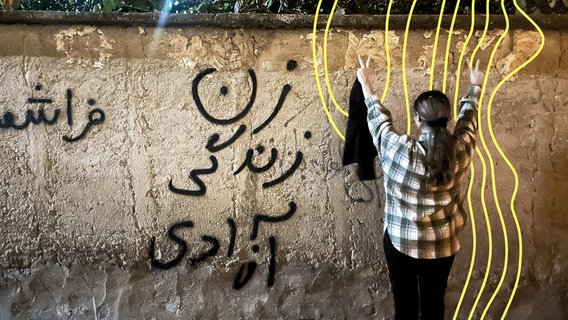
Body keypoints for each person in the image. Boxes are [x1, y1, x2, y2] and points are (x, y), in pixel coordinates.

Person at [355, 55, 484, 320]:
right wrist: (475, 86)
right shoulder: (460, 150)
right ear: (447, 120)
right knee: (434, 304)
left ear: (416, 119)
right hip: (443, 244)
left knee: (405, 307)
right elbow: (468, 121)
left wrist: (366, 84)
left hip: (402, 242)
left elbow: (378, 123)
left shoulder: (402, 151)